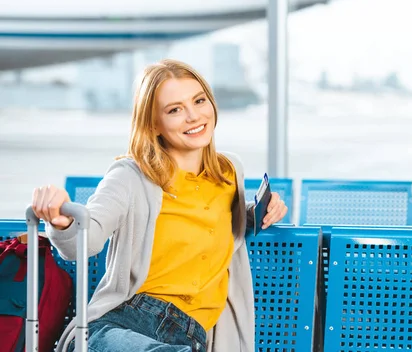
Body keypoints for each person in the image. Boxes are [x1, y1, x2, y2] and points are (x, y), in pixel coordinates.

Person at [30, 59, 288, 352]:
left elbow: (214, 222)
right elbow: (85, 240)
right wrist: (61, 219)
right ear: (153, 123)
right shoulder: (131, 175)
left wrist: (260, 212)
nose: (193, 116)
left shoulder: (230, 171)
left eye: (199, 100)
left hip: (191, 335)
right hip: (126, 323)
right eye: (175, 109)